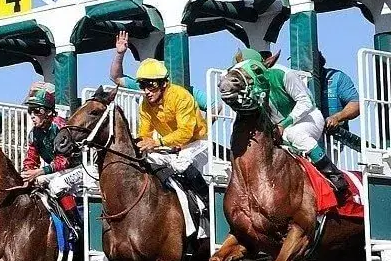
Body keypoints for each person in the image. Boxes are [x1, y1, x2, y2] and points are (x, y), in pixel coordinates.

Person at [233, 48, 349, 199]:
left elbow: (306, 102)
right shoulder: (250, 88)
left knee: (293, 133)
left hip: (308, 118)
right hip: (279, 127)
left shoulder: (283, 74)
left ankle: (334, 175)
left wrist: (284, 123)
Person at [134, 58, 211, 236]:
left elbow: (185, 132)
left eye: (150, 85)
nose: (146, 91)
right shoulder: (145, 105)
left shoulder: (181, 96)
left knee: (181, 164)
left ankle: (205, 201)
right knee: (146, 159)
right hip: (172, 146)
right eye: (142, 86)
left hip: (197, 142)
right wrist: (142, 144)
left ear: (163, 84)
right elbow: (144, 133)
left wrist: (157, 142)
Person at [19, 82, 83, 233]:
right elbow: (30, 159)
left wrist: (39, 172)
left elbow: (64, 161)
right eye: (30, 111)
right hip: (58, 171)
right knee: (34, 183)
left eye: (36, 111)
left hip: (79, 168)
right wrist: (27, 174)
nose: (32, 116)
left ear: (48, 112)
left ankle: (76, 225)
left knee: (56, 184)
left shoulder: (60, 126)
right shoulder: (34, 133)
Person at [111, 31, 209, 112]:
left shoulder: (183, 90)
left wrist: (202, 131)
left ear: (163, 83)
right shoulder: (144, 87)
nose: (147, 91)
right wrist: (120, 53)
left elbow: (215, 106)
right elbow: (116, 77)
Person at [318, 51, 361, 135]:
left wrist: (337, 117)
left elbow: (356, 104)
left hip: (332, 138)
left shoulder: (337, 77)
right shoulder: (294, 78)